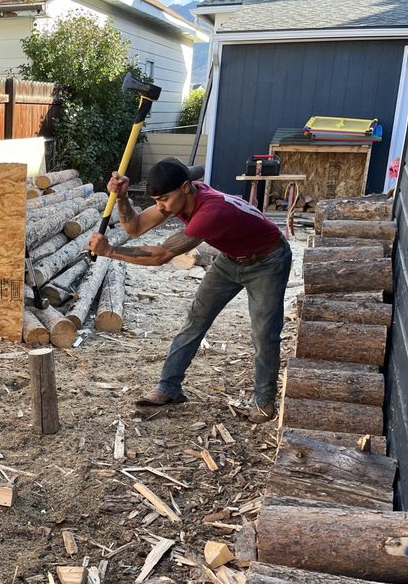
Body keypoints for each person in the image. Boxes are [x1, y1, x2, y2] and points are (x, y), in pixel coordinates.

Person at [86, 157, 292, 423]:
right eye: (157, 201)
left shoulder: (211, 212)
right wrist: (123, 198)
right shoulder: (178, 199)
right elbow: (135, 228)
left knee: (264, 333)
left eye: (164, 200)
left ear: (185, 188)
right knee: (195, 321)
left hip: (268, 260)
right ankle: (169, 388)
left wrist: (111, 250)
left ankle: (264, 402)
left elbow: (160, 256)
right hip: (230, 259)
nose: (160, 207)